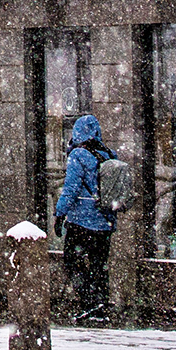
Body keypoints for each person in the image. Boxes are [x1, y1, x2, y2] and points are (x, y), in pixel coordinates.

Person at [52, 114, 121, 322]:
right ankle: (100, 304)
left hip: (81, 221)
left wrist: (60, 214)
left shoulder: (78, 155)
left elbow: (71, 189)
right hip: (105, 221)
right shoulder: (108, 154)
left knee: (73, 261)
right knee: (99, 264)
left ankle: (88, 302)